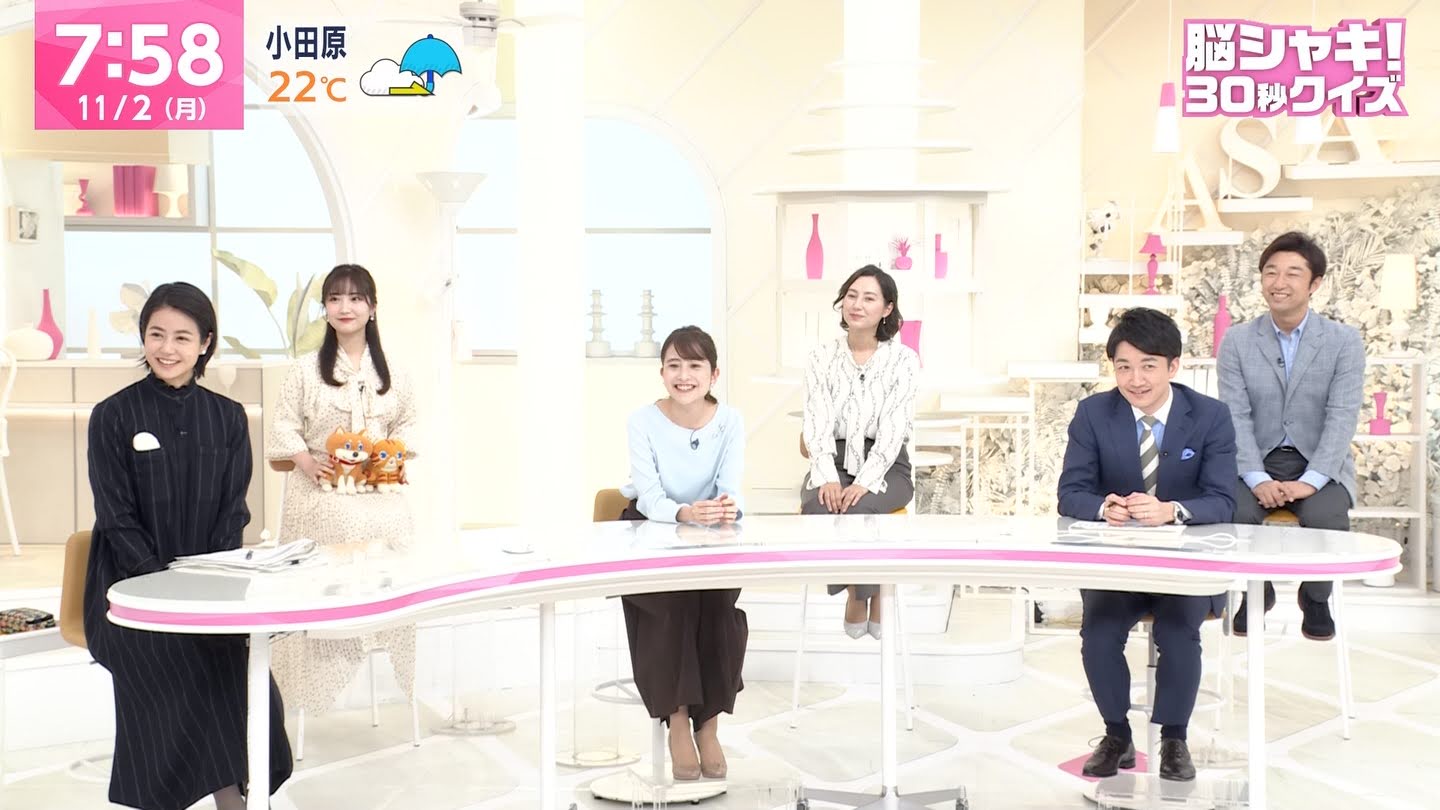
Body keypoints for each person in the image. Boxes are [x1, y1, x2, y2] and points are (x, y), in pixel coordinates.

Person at [84, 282, 293, 810]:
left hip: (209, 589)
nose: (167, 348)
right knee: (182, 666)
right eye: (156, 334)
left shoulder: (228, 417)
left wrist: (206, 585)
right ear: (143, 338)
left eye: (182, 337)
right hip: (129, 593)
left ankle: (238, 799)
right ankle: (215, 800)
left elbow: (232, 514)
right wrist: (160, 586)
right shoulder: (112, 415)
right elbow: (115, 517)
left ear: (205, 344)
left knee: (242, 675)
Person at [1056, 308, 1236, 782]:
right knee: (1098, 634)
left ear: (1173, 366)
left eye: (1148, 366)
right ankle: (1117, 735)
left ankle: (1175, 739)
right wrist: (1103, 507)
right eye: (1124, 367)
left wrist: (1172, 510)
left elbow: (1223, 500)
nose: (1135, 380)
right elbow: (1070, 493)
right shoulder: (1093, 413)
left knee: (1178, 634)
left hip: (1184, 566)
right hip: (1119, 565)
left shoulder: (1210, 416)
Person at [266, 264, 419, 716]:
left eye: (355, 298)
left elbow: (409, 422)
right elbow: (283, 426)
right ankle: (334, 634)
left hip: (378, 486)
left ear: (372, 307)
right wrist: (307, 462)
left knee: (400, 520)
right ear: (325, 309)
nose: (344, 307)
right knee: (344, 518)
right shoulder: (304, 371)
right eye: (334, 298)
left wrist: (388, 457)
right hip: (322, 491)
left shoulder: (395, 372)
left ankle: (381, 619)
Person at [1218, 231, 1364, 641]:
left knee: (1325, 515)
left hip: (1320, 461)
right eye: (1271, 272)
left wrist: (1311, 481)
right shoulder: (1237, 341)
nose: (1278, 282)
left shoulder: (1343, 341)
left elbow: (1342, 416)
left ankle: (1315, 598)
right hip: (1257, 457)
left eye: (1292, 273)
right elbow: (1234, 415)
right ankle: (1255, 593)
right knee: (1235, 509)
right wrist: (1256, 477)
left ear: (1315, 283)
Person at [619, 326, 747, 781]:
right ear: (662, 373)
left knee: (719, 609)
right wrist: (684, 513)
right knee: (672, 609)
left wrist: (727, 507)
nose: (684, 375)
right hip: (653, 525)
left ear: (714, 374)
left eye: (695, 365)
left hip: (710, 529)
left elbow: (732, 487)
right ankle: (676, 720)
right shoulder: (642, 421)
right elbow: (650, 495)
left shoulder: (730, 421)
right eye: (674, 365)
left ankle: (708, 725)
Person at [799, 265, 918, 639]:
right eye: (851, 295)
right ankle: (867, 589)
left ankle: (862, 593)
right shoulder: (820, 357)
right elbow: (815, 423)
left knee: (858, 509)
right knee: (819, 508)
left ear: (887, 308)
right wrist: (827, 477)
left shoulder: (903, 360)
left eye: (869, 298)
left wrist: (864, 482)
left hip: (887, 466)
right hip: (831, 458)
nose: (857, 304)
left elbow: (893, 430)